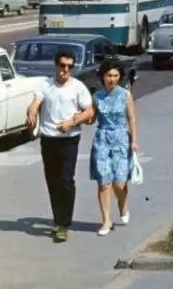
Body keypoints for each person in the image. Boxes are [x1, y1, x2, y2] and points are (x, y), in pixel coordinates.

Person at [26, 49, 93, 243]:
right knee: (53, 181)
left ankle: (64, 224)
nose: (66, 70)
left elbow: (89, 112)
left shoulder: (78, 87)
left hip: (69, 139)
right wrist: (31, 113)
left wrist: (71, 122)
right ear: (56, 65)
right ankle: (58, 220)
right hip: (48, 139)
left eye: (70, 66)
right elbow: (35, 103)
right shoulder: (45, 85)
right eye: (63, 66)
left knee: (66, 180)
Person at [82, 58, 138, 236]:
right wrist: (81, 117)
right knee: (104, 182)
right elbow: (92, 119)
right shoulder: (97, 96)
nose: (112, 79)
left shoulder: (125, 95)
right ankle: (106, 220)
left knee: (119, 183)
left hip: (121, 139)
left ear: (119, 76)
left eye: (115, 75)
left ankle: (122, 203)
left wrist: (134, 140)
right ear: (103, 77)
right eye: (108, 75)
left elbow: (131, 118)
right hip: (102, 140)